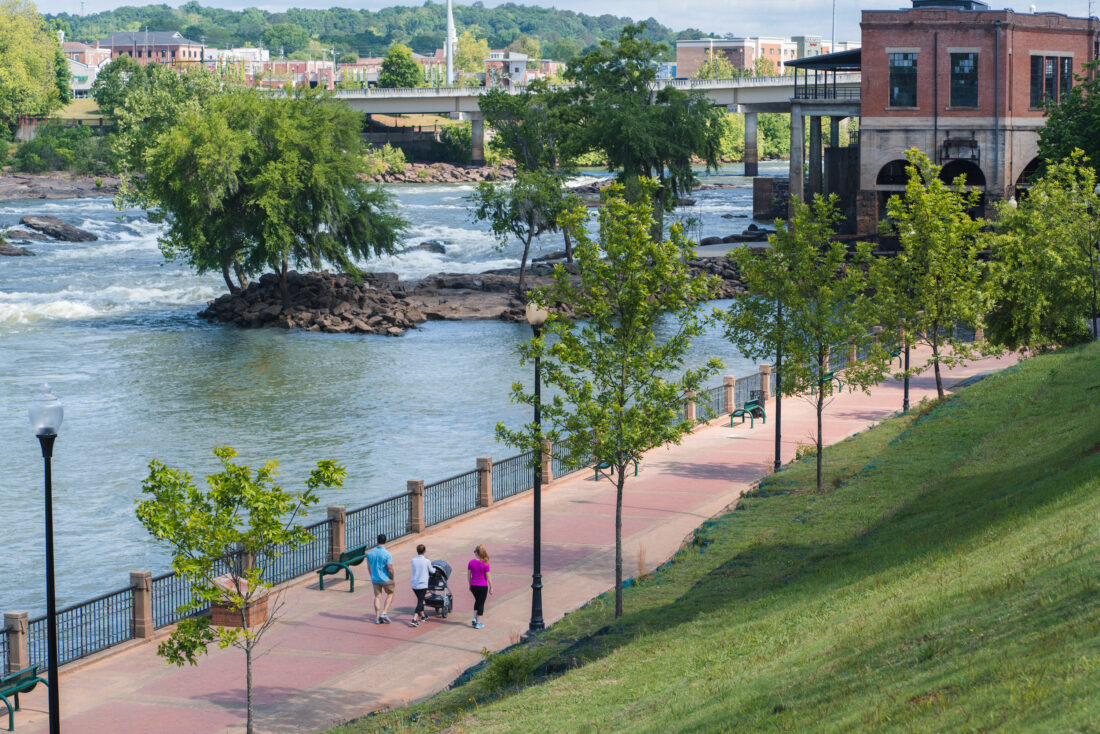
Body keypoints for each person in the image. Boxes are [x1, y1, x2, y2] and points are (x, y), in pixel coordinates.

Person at [366, 533, 395, 624]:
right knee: (390, 593)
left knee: (377, 597)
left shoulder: (370, 553)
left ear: (377, 541)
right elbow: (389, 568)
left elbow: (369, 567)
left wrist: (372, 576)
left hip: (375, 578)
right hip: (385, 578)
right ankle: (384, 612)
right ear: (385, 541)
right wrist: (392, 577)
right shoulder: (387, 554)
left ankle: (377, 618)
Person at [467, 544, 493, 629]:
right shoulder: (485, 563)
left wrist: (470, 584)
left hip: (474, 585)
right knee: (481, 603)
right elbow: (488, 576)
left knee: (477, 601)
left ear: (477, 553)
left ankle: (475, 617)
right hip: (482, 586)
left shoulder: (471, 562)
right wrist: (491, 587)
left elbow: (468, 575)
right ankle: (478, 623)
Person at [409, 543, 432, 627]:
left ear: (417, 551)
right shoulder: (427, 561)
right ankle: (414, 619)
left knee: (420, 599)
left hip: (414, 584)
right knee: (420, 601)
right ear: (424, 551)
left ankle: (423, 616)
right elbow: (432, 571)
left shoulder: (413, 560)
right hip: (422, 584)